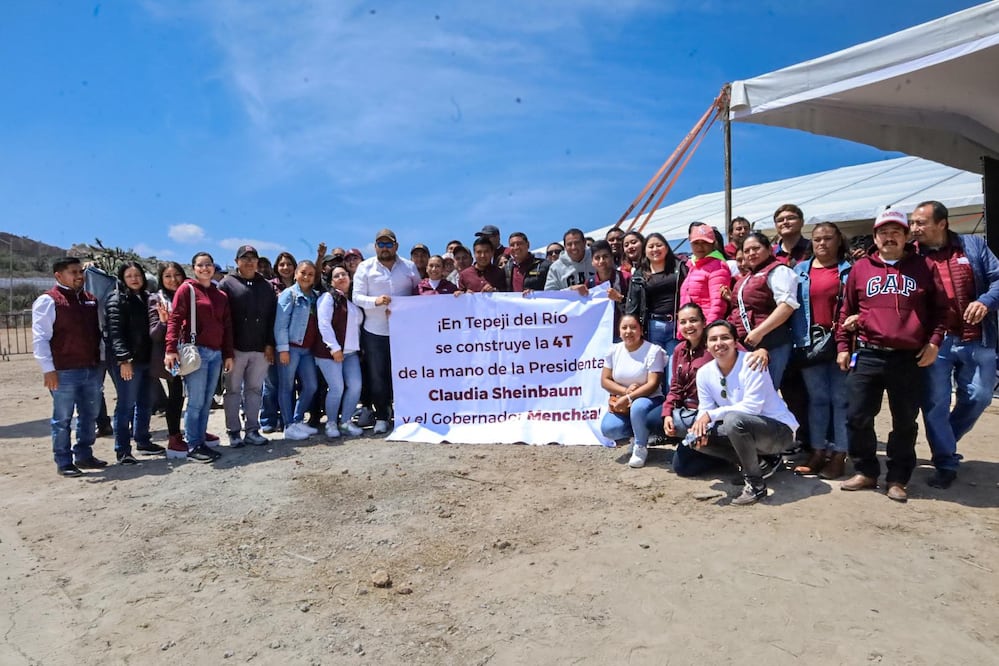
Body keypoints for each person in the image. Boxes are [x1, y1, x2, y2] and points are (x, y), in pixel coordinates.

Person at [837, 209, 947, 503]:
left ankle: (898, 478)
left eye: (896, 231)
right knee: (857, 414)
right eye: (883, 232)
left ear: (906, 236)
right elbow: (846, 310)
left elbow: (941, 310)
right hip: (869, 354)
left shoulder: (923, 266)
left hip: (908, 358)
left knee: (905, 420)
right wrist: (843, 346)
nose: (889, 237)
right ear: (875, 237)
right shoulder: (861, 268)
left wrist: (935, 342)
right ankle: (866, 471)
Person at [910, 200, 999, 489]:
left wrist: (986, 301)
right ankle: (945, 461)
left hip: (978, 337)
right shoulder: (912, 256)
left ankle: (945, 438)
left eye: (920, 223)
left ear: (942, 223)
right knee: (935, 401)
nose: (914, 228)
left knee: (980, 395)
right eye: (912, 223)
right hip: (936, 341)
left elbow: (998, 279)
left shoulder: (972, 246)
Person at [689, 320, 799, 506]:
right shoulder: (704, 373)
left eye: (725, 337)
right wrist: (701, 424)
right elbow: (705, 409)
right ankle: (761, 465)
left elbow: (752, 408)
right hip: (747, 428)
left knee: (733, 421)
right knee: (695, 437)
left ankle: (756, 485)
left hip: (779, 431)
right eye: (713, 339)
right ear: (706, 345)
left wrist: (711, 416)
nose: (719, 343)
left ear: (734, 341)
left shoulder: (752, 362)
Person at [32, 257, 107, 476]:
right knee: (63, 418)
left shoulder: (90, 299)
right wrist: (48, 369)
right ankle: (64, 461)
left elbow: (96, 333)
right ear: (59, 275)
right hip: (64, 370)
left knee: (89, 414)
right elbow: (40, 338)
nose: (78, 276)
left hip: (90, 368)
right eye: (73, 272)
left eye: (80, 271)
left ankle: (84, 454)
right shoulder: (48, 301)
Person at [789, 223, 852, 479]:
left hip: (841, 344)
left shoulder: (850, 271)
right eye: (817, 239)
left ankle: (839, 454)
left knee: (840, 400)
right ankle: (817, 451)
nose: (822, 243)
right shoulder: (800, 271)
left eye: (828, 238)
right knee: (817, 400)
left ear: (839, 241)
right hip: (809, 343)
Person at [164, 252, 234, 464]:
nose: (205, 268)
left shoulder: (220, 295)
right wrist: (170, 349)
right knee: (195, 401)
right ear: (193, 268)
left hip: (215, 353)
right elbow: (175, 319)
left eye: (209, 265)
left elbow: (227, 326)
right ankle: (193, 444)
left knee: (206, 401)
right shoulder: (187, 289)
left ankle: (200, 438)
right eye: (200, 265)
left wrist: (228, 353)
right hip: (196, 351)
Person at [352, 228, 420, 434]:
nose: (384, 248)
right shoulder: (365, 268)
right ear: (375, 247)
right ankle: (381, 416)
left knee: (405, 374)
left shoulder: (409, 267)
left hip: (404, 332)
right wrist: (376, 301)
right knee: (377, 375)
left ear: (396, 246)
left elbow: (420, 293)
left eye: (388, 244)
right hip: (374, 331)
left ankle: (405, 413)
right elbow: (356, 297)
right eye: (380, 244)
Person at [664, 304, 735, 477]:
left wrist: (763, 352)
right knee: (682, 467)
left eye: (693, 320)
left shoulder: (715, 344)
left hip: (715, 413)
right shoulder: (679, 350)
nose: (688, 325)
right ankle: (722, 456)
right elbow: (676, 386)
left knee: (683, 428)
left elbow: (745, 355)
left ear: (704, 322)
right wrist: (667, 412)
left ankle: (741, 454)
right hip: (691, 412)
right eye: (683, 322)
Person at [218, 245, 277, 448]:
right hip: (235, 349)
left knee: (254, 390)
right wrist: (226, 349)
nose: (250, 261)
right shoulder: (226, 284)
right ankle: (233, 432)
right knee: (233, 391)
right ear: (237, 262)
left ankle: (252, 430)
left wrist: (270, 344)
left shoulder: (266, 286)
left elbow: (271, 318)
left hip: (260, 349)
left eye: (253, 258)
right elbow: (222, 319)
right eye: (245, 258)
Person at [724, 231, 799, 388]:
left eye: (756, 248)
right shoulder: (746, 278)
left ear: (769, 249)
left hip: (773, 343)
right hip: (748, 345)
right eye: (746, 251)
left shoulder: (778, 271)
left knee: (766, 394)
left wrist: (759, 332)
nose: (751, 253)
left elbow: (787, 306)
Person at [105, 261, 159, 464]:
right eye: (129, 276)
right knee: (126, 405)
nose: (135, 279)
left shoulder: (147, 298)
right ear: (123, 279)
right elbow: (115, 334)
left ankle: (143, 440)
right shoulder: (116, 300)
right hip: (128, 361)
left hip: (147, 359)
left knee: (145, 403)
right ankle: (123, 449)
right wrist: (123, 359)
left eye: (137, 275)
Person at [600, 314, 666, 468]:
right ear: (619, 331)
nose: (628, 331)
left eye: (633, 327)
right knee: (608, 428)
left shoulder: (653, 351)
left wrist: (629, 397)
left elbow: (653, 384)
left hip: (650, 400)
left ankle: (640, 447)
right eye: (624, 327)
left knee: (638, 406)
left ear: (641, 330)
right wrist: (625, 391)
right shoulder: (613, 350)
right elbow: (605, 380)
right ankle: (637, 434)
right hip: (623, 401)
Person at [315, 266, 365, 440]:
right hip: (330, 353)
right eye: (337, 276)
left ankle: (345, 421)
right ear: (331, 281)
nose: (342, 277)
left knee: (355, 386)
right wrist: (334, 348)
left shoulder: (351, 302)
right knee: (337, 388)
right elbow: (324, 324)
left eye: (344, 274)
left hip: (351, 353)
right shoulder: (327, 298)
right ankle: (331, 423)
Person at [274, 261, 322, 441]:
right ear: (295, 274)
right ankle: (288, 425)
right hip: (291, 348)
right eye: (303, 273)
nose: (306, 277)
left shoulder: (315, 297)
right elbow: (280, 325)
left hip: (307, 350)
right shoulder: (289, 294)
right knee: (286, 387)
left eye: (310, 274)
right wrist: (283, 349)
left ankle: (298, 419)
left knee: (311, 385)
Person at [149, 262, 188, 458]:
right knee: (176, 396)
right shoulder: (156, 300)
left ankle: (193, 431)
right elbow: (154, 335)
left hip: (191, 353)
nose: (173, 280)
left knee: (196, 395)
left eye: (177, 275)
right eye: (168, 276)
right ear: (161, 279)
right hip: (171, 357)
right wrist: (164, 322)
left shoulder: (188, 296)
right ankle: (174, 437)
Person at [625, 232, 681, 368]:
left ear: (667, 248)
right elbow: (633, 305)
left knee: (673, 373)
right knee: (655, 373)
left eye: (659, 245)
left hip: (676, 327)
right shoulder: (639, 275)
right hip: (653, 327)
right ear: (645, 251)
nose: (655, 249)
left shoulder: (680, 268)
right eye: (651, 247)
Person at [679, 224, 731, 325]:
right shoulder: (692, 266)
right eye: (696, 243)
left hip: (705, 328)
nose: (700, 247)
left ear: (713, 244)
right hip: (692, 328)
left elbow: (718, 304)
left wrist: (710, 329)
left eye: (705, 242)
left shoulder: (718, 265)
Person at [587, 240, 628, 338]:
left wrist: (620, 298)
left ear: (612, 258)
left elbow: (637, 307)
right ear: (592, 262)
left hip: (623, 335)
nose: (601, 261)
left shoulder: (626, 278)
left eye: (605, 257)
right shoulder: (589, 284)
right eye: (597, 258)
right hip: (600, 336)